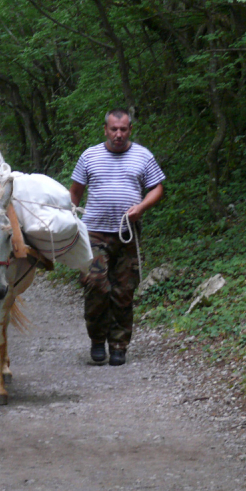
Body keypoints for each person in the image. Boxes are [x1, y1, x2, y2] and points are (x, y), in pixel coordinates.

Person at [69, 108, 165, 366]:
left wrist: (141, 208)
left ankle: (119, 345)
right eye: (114, 129)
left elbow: (157, 187)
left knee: (124, 291)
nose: (119, 134)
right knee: (95, 285)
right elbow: (75, 192)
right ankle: (98, 341)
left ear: (130, 130)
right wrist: (69, 220)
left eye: (123, 129)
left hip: (126, 236)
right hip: (94, 234)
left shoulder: (143, 155)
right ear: (105, 130)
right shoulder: (90, 156)